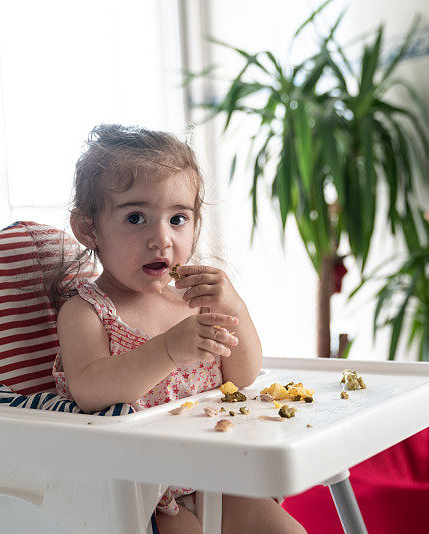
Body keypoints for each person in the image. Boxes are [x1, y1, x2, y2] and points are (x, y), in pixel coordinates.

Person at [48, 124, 306, 534]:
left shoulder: (191, 300)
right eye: (136, 218)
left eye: (178, 218)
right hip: (145, 488)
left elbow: (241, 375)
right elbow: (90, 389)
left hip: (214, 470)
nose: (161, 238)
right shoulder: (88, 312)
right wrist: (167, 350)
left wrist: (234, 305)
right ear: (88, 228)